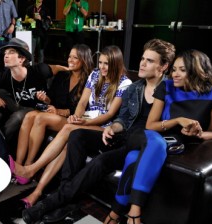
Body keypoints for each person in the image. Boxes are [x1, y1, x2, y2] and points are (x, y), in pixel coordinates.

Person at [21, 39, 176, 224]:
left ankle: (51, 203)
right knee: (76, 134)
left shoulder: (171, 90)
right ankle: (64, 199)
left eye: (149, 61)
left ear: (164, 66)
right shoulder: (135, 88)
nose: (142, 63)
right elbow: (123, 120)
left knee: (100, 160)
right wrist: (112, 127)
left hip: (140, 143)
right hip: (122, 136)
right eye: (143, 58)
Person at [105, 49, 212, 224]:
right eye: (174, 69)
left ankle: (114, 214)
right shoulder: (166, 86)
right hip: (147, 136)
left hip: (175, 144)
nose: (175, 74)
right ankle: (135, 213)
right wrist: (178, 120)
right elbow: (151, 125)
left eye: (182, 70)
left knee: (134, 159)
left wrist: (197, 131)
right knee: (156, 142)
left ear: (196, 71)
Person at [12, 45, 131, 208]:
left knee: (69, 129)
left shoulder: (124, 83)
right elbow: (82, 102)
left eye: (107, 64)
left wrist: (84, 122)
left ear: (116, 64)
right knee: (68, 141)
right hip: (86, 121)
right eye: (101, 62)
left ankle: (31, 169)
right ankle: (37, 192)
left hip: (106, 128)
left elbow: (110, 115)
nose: (102, 67)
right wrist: (77, 116)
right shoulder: (95, 74)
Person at [15, 43, 93, 174]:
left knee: (40, 117)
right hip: (54, 113)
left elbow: (86, 108)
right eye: (69, 57)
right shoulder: (63, 75)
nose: (70, 60)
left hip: (71, 118)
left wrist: (60, 111)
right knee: (29, 116)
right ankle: (17, 163)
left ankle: (28, 165)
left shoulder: (89, 80)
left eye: (75, 58)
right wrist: (45, 99)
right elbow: (51, 97)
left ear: (84, 60)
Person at [0, 38, 68, 152]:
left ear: (21, 59)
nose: (5, 56)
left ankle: (1, 146)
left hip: (36, 108)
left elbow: (58, 68)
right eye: (5, 53)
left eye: (11, 52)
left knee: (18, 117)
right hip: (17, 105)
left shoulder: (39, 70)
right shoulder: (5, 75)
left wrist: (74, 71)